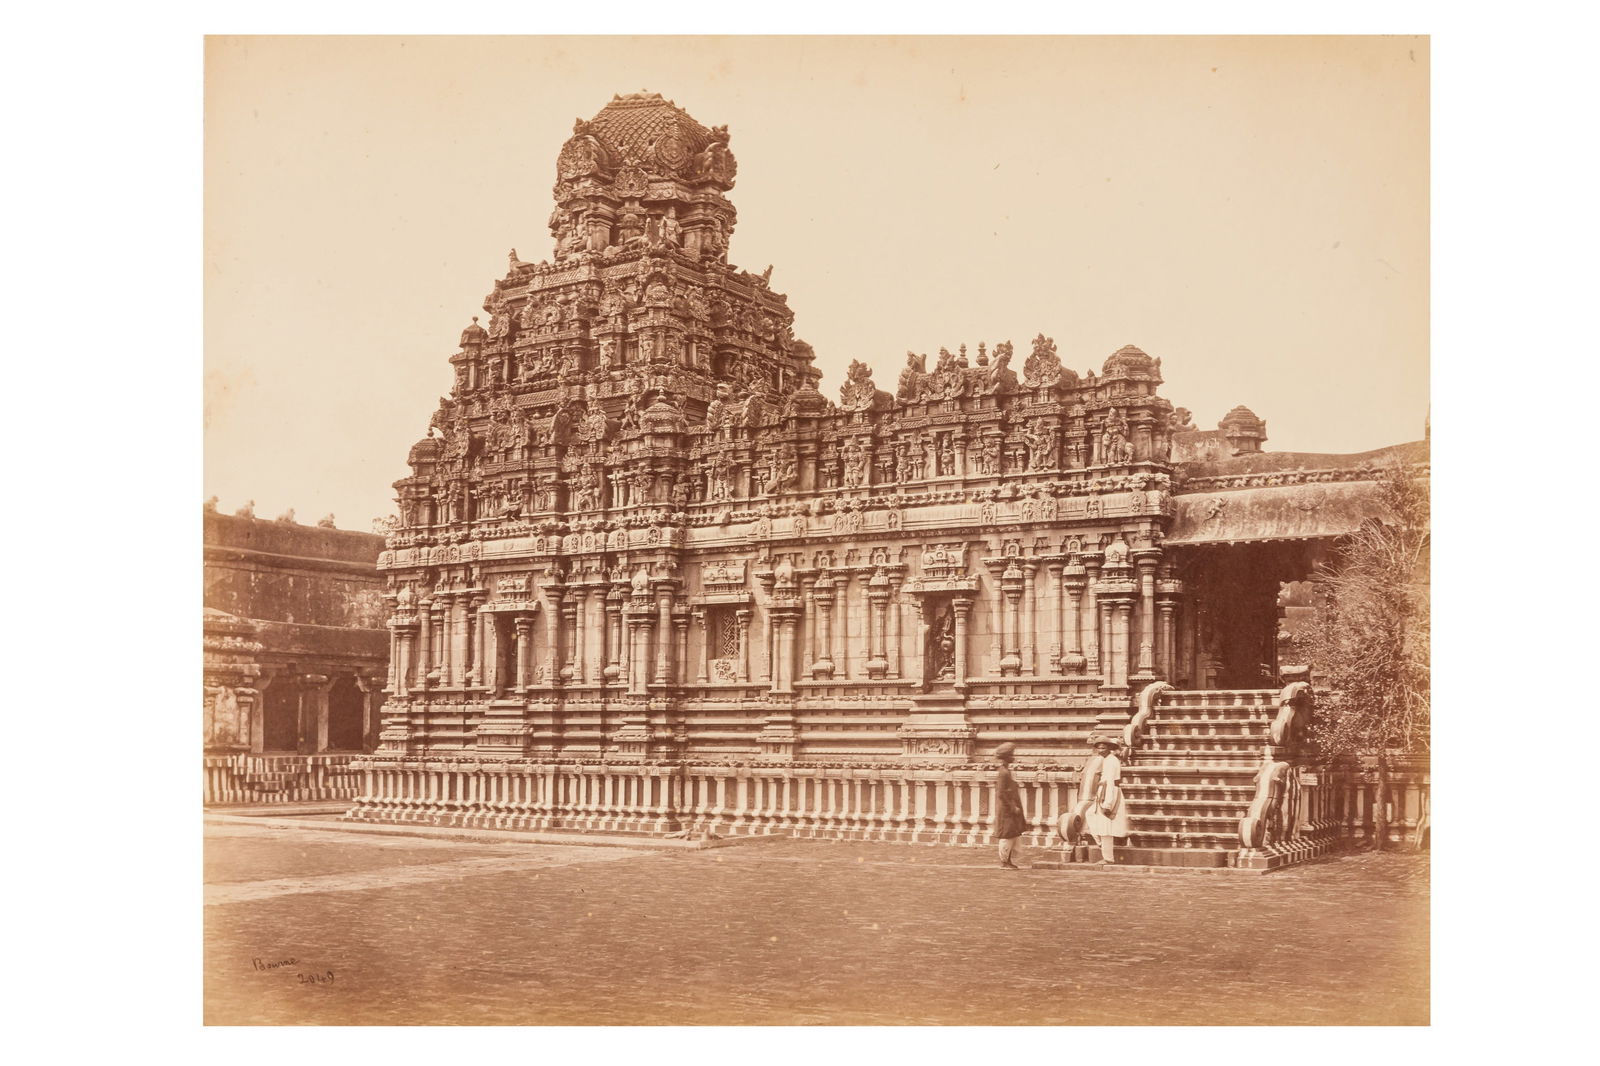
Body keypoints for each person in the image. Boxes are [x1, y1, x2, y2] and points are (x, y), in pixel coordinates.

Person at [1082, 735, 1129, 865]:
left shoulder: (1111, 761)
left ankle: (1108, 858)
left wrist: (1108, 803)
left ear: (1109, 748)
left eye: (1104, 747)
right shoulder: (1107, 760)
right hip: (1103, 791)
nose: (1101, 750)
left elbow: (1110, 781)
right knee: (1089, 814)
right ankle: (1101, 844)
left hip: (1110, 793)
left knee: (1105, 826)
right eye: (1099, 748)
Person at [993, 742, 1028, 869]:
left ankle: (1008, 861)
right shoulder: (1003, 772)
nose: (1013, 757)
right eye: (1011, 755)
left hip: (1009, 809)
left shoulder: (1006, 771)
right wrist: (1012, 807)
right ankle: (1004, 861)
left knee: (1012, 834)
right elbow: (1001, 793)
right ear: (1006, 757)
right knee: (1007, 835)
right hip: (1006, 810)